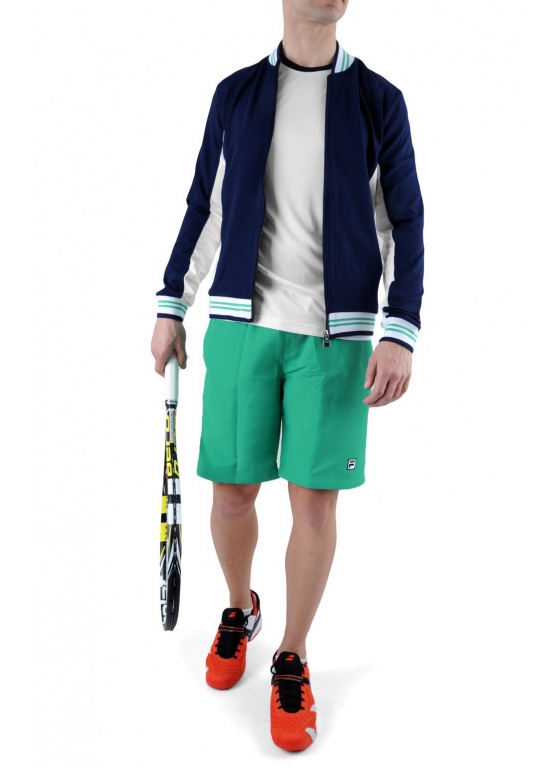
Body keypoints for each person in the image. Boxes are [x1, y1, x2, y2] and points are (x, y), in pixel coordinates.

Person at [150, 0, 423, 752]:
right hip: (242, 325)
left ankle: (293, 654)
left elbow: (404, 221)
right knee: (231, 494)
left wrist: (400, 328)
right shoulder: (236, 94)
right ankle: (240, 608)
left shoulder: (379, 101)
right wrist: (173, 303)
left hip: (335, 339)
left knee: (314, 505)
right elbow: (205, 207)